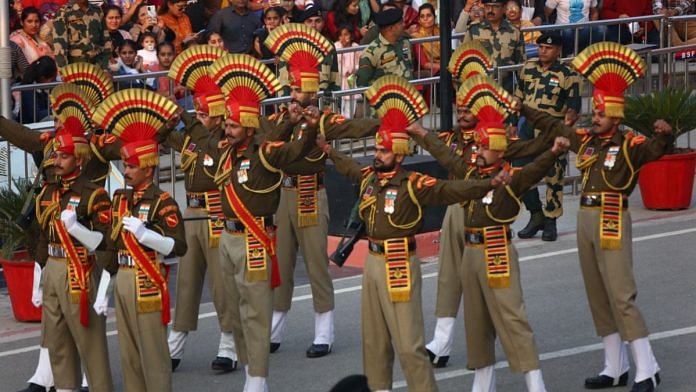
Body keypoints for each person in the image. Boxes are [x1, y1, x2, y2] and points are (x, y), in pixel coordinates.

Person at [317, 75, 506, 392]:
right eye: (377, 149)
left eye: (384, 151)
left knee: (409, 346)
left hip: (399, 265)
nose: (378, 154)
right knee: (375, 344)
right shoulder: (370, 178)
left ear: (400, 155)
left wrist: (488, 183)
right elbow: (350, 168)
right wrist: (328, 151)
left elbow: (451, 190)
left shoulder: (414, 184)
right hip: (373, 266)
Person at [518, 41, 670, 392]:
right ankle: (613, 367)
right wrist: (523, 108)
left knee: (620, 294)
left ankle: (646, 369)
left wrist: (664, 134)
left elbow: (656, 149)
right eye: (595, 112)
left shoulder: (630, 144)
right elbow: (553, 126)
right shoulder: (585, 141)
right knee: (598, 295)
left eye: (601, 113)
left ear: (615, 116)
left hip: (613, 216)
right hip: (586, 218)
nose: (594, 116)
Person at [428, 75, 564, 391]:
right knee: (476, 324)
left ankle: (536, 384)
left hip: (497, 253)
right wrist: (421, 133)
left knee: (511, 318)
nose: (478, 150)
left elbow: (534, 167)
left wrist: (554, 151)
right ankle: (482, 384)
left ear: (499, 152)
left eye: (485, 146)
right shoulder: (471, 173)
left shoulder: (511, 177)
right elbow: (446, 156)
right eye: (478, 145)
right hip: (472, 255)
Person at [264, 24, 380, 357]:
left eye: (313, 91)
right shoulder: (279, 118)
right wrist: (290, 119)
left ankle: (323, 333)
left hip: (310, 196)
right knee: (281, 266)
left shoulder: (324, 119)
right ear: (292, 88)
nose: (309, 97)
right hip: (284, 195)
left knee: (316, 265)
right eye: (304, 91)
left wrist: (384, 120)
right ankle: (275, 331)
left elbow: (355, 127)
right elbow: (267, 143)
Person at [209, 53, 317, 391]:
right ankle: (249, 369)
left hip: (254, 240)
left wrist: (309, 130)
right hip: (226, 240)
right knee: (234, 311)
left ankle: (257, 380)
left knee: (255, 314)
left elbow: (295, 152)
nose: (227, 129)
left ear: (250, 127)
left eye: (233, 125)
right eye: (227, 124)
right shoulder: (228, 150)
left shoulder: (266, 153)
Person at [93, 88, 187, 392]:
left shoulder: (163, 201)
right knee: (129, 353)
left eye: (131, 166)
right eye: (125, 165)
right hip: (122, 278)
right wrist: (103, 290)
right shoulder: (120, 197)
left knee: (153, 354)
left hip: (147, 279)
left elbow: (178, 246)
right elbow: (109, 244)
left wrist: (147, 235)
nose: (126, 170)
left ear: (148, 167)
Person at [163, 45, 240, 374]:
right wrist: (162, 120)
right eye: (198, 112)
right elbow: (164, 136)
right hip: (191, 216)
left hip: (217, 217)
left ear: (220, 115)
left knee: (223, 286)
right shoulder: (193, 139)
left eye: (206, 113)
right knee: (187, 283)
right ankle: (175, 344)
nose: (200, 118)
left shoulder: (224, 141)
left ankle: (229, 345)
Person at [33, 86, 114, 392]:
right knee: (57, 341)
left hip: (79, 268)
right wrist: (38, 276)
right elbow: (43, 235)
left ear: (77, 158)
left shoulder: (93, 194)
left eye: (63, 156)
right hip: (54, 267)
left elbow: (104, 242)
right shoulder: (49, 191)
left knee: (90, 345)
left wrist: (77, 230)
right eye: (55, 154)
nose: (56, 160)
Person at [514, 32, 580, 241]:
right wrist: (512, 123)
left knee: (554, 176)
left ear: (558, 50)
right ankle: (536, 215)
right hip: (527, 130)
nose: (543, 51)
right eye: (541, 47)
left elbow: (573, 109)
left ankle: (551, 220)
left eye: (548, 48)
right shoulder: (528, 67)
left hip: (552, 130)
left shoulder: (567, 74)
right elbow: (518, 97)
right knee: (520, 173)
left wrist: (563, 130)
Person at [463, 0, 525, 92]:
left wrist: (520, 96)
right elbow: (463, 60)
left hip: (506, 90)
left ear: (504, 9)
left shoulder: (514, 32)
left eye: (495, 6)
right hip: (480, 89)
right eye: (487, 6)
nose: (490, 10)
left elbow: (521, 66)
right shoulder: (474, 29)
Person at [356, 7, 413, 86]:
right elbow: (362, 84)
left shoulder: (405, 42)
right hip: (386, 97)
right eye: (400, 23)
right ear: (391, 28)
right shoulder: (370, 54)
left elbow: (410, 66)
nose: (403, 25)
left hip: (407, 94)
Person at [52, 0, 112, 70]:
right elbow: (59, 45)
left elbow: (106, 41)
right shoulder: (64, 13)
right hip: (75, 68)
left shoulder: (98, 11)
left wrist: (105, 68)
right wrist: (64, 71)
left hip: (97, 67)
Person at [412, 3, 441, 77]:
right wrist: (444, 67)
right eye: (422, 16)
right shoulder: (416, 37)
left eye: (429, 15)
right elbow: (425, 64)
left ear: (435, 17)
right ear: (419, 20)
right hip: (429, 72)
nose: (425, 19)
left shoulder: (441, 32)